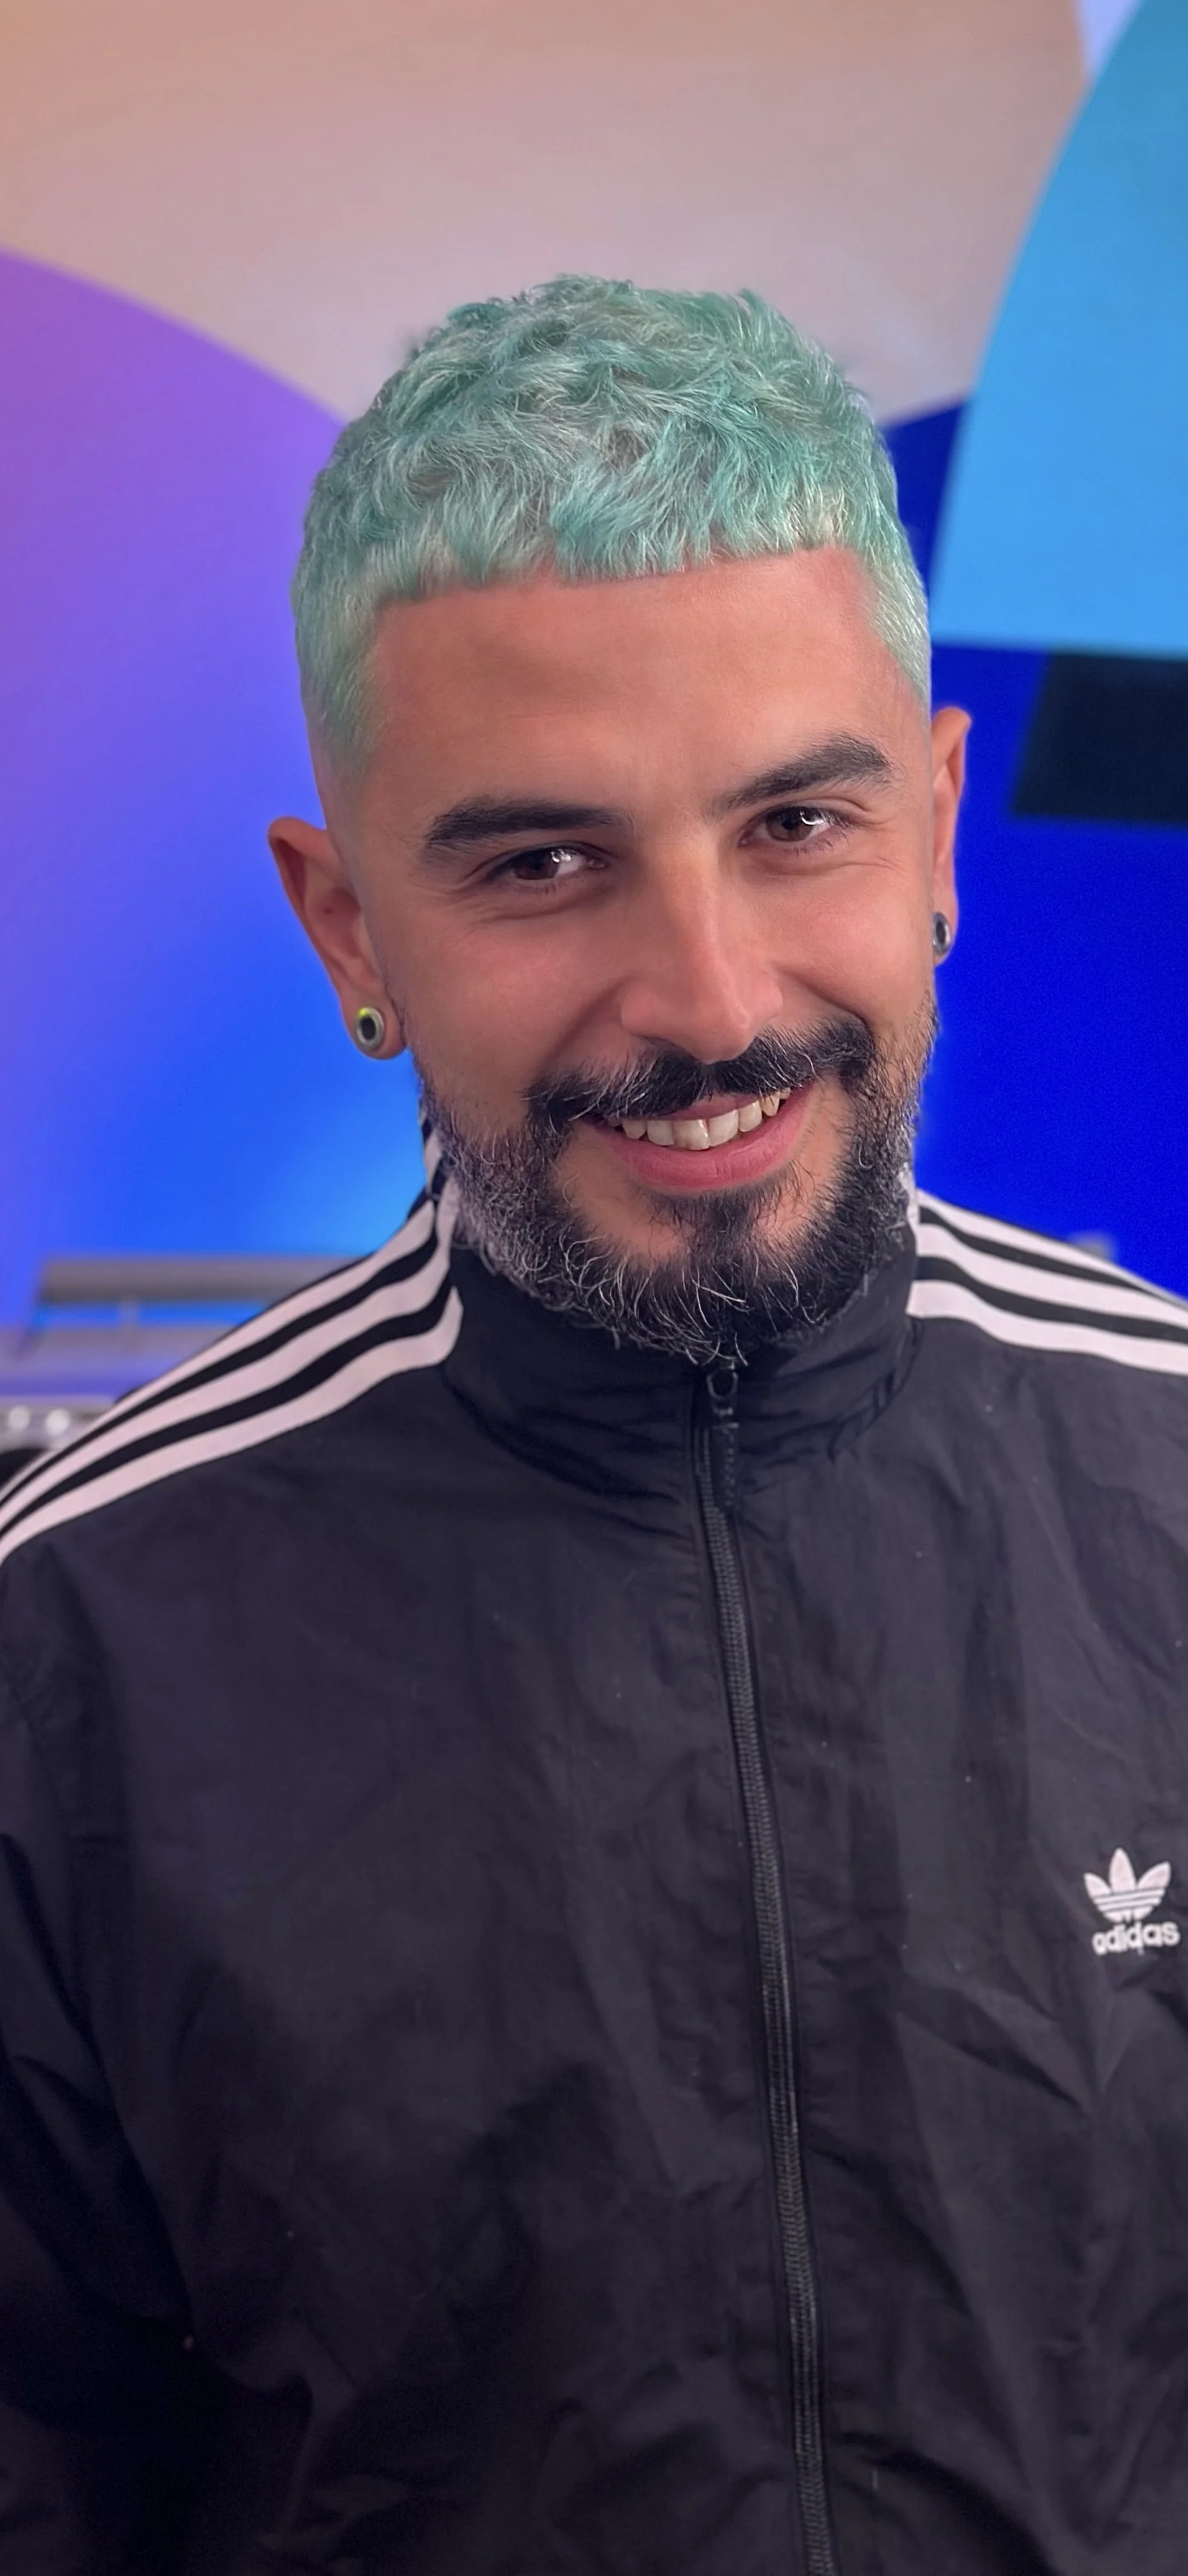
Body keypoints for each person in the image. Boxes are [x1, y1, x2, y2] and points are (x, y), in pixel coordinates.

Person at [1, 277, 1186, 2576]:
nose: (714, 1000)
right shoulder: (73, 1653)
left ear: (935, 820)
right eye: (542, 864)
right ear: (345, 922)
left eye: (797, 823)